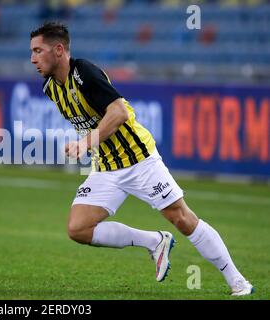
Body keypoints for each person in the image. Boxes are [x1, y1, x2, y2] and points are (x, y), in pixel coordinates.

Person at [29, 22, 254, 296]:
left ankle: (238, 281)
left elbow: (119, 112)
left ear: (59, 49)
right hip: (106, 168)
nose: (33, 59)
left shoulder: (84, 73)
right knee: (78, 228)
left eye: (38, 51)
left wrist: (85, 142)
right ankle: (153, 241)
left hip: (139, 161)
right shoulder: (51, 88)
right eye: (32, 52)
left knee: (182, 218)